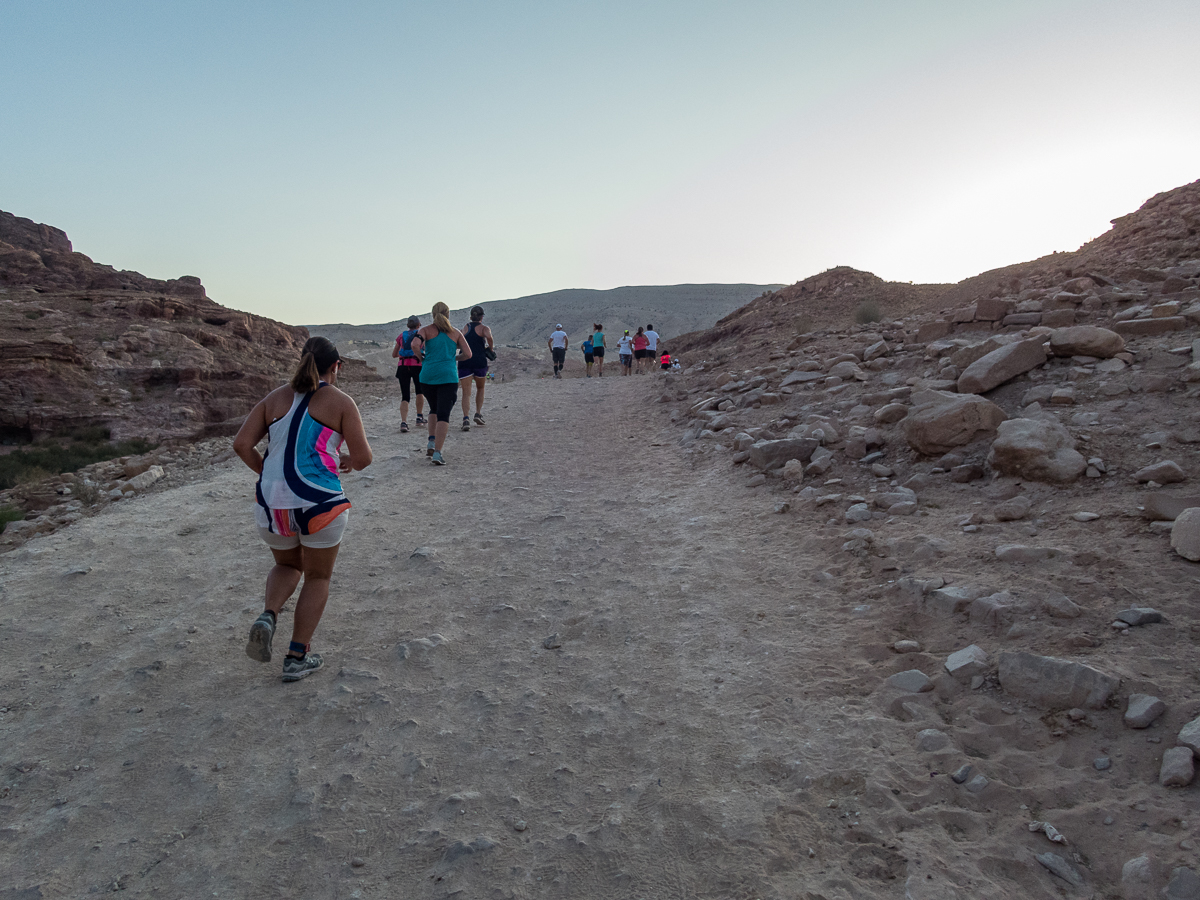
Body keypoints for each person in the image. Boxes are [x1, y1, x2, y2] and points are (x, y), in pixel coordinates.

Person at [233, 336, 373, 682]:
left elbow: (241, 444)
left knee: (287, 565)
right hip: (319, 502)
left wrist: (269, 475)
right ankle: (297, 656)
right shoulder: (340, 402)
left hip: (271, 504)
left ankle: (269, 614)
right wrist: (345, 463)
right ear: (336, 367)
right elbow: (364, 458)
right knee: (318, 576)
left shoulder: (274, 398)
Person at [417, 302, 472, 465]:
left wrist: (421, 358)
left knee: (433, 408)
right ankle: (437, 453)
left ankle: (431, 441)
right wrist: (453, 358)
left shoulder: (425, 330)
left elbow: (414, 344)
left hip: (427, 376)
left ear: (432, 314)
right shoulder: (455, 333)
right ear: (448, 314)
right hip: (447, 376)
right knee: (444, 414)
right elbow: (468, 354)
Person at [459, 306, 493, 430]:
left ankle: (465, 418)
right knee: (480, 388)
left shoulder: (466, 327)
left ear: (470, 316)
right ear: (482, 317)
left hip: (465, 361)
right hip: (479, 361)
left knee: (466, 392)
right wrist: (491, 348)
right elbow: (489, 336)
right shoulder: (484, 328)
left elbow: (459, 339)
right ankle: (478, 413)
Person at [391, 315, 425, 433]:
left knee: (405, 395)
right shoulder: (421, 335)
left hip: (403, 366)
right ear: (418, 325)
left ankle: (404, 422)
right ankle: (419, 417)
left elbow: (394, 354)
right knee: (419, 391)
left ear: (407, 326)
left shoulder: (401, 336)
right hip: (417, 366)